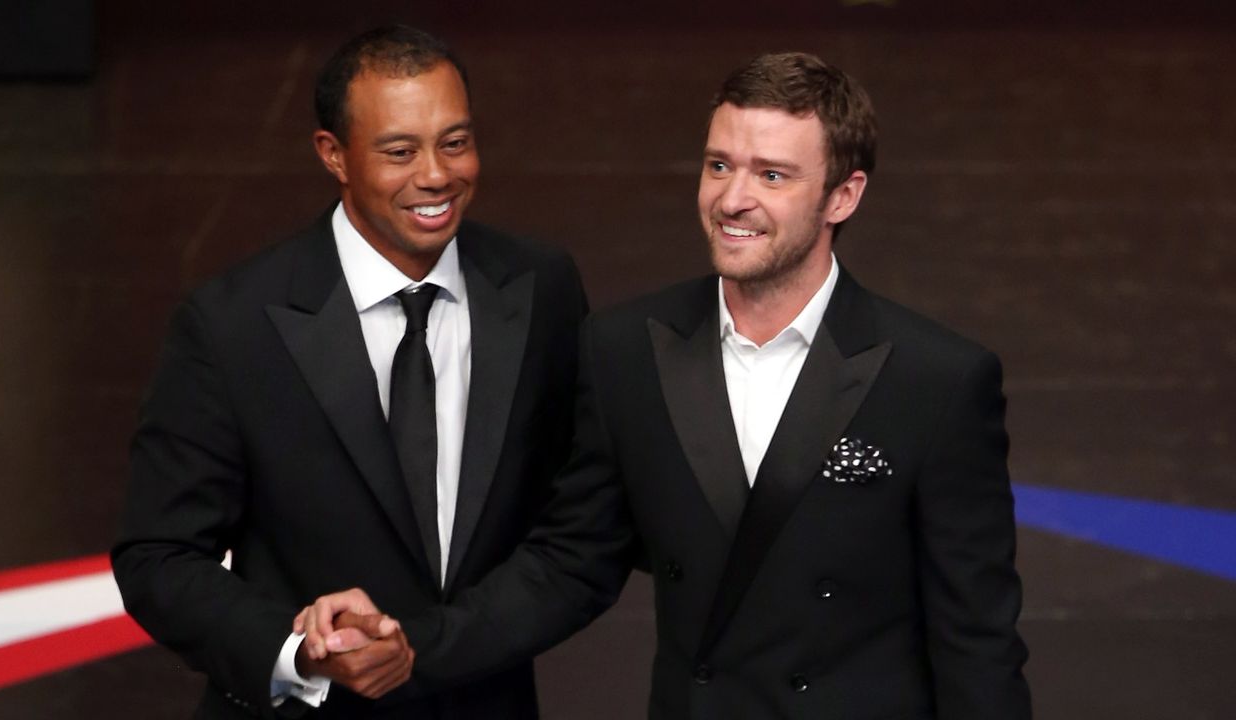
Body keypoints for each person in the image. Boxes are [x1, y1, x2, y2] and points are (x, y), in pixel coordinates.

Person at [304, 52, 1032, 719]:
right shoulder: (626, 351)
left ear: (844, 196)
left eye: (772, 175)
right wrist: (415, 645)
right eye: (720, 166)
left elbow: (977, 641)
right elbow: (571, 564)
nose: (732, 200)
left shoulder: (935, 379)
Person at [111, 24, 597, 719]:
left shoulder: (541, 289)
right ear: (333, 154)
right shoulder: (232, 324)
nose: (436, 175)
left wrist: (424, 649)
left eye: (455, 142)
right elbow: (157, 557)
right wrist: (300, 651)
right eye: (400, 151)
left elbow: (578, 531)